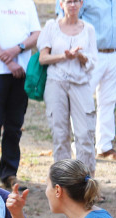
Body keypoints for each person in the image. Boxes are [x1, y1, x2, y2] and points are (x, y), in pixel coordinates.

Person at [0, 0, 41, 189]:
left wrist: (18, 48)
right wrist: (9, 62)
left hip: (21, 74)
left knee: (14, 126)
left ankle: (9, 173)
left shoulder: (27, 3)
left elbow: (36, 34)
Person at [38, 0, 98, 174]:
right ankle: (63, 183)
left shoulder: (89, 29)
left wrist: (80, 56)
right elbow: (43, 58)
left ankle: (86, 183)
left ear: (81, 4)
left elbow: (93, 61)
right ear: (61, 4)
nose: (72, 5)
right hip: (56, 83)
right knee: (60, 134)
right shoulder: (51, 26)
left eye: (76, 1)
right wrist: (64, 56)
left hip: (81, 83)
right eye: (68, 1)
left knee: (85, 133)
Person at [77, 0, 115, 160]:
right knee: (82, 100)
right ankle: (80, 142)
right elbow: (68, 17)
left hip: (112, 52)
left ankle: (104, 145)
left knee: (108, 101)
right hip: (91, 53)